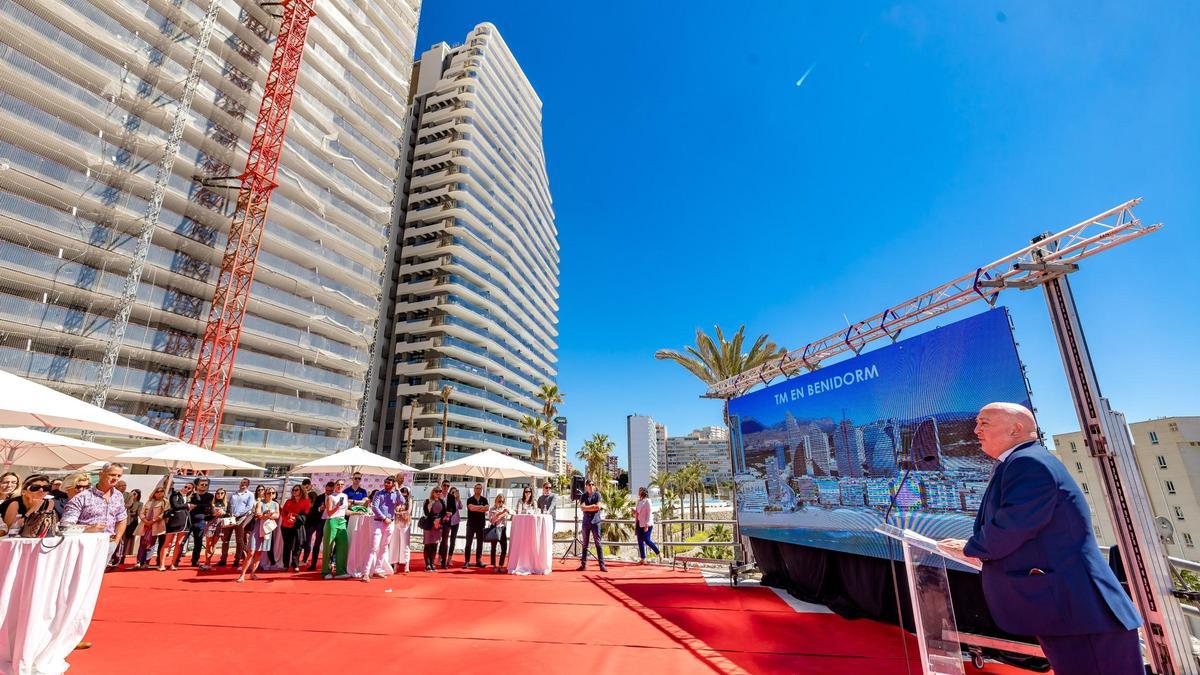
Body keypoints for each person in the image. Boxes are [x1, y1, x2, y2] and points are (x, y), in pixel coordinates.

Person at [938, 403, 1143, 675]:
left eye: (984, 423)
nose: (975, 430)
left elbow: (1015, 523)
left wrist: (971, 549)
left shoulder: (1028, 463)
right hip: (1069, 614)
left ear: (1016, 428)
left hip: (1080, 615)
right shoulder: (1018, 462)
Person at [61, 463, 128, 561]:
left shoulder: (118, 496)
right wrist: (88, 529)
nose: (116, 478)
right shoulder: (82, 497)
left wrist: (116, 541)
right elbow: (65, 526)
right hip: (85, 545)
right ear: (101, 474)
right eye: (112, 475)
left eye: (119, 476)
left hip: (108, 545)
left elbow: (122, 518)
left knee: (99, 576)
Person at [237, 487, 279, 582]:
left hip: (267, 530)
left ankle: (253, 574)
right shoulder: (260, 503)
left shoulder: (275, 504)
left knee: (259, 553)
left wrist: (267, 516)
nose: (271, 494)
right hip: (257, 529)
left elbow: (277, 515)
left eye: (273, 493)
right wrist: (268, 515)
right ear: (265, 494)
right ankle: (242, 575)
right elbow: (258, 514)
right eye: (269, 493)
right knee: (251, 552)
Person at [364, 476, 401, 582]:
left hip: (390, 524)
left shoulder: (395, 494)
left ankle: (377, 569)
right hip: (379, 523)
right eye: (385, 482)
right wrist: (384, 518)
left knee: (384, 547)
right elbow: (375, 507)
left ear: (393, 484)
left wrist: (397, 489)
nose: (386, 484)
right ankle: (366, 573)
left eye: (388, 482)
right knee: (373, 547)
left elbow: (401, 501)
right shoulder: (378, 494)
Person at [576, 479, 607, 572]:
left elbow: (598, 507)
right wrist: (592, 507)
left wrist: (588, 508)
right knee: (585, 544)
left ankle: (602, 565)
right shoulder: (583, 496)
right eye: (589, 484)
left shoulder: (597, 495)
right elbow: (582, 508)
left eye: (592, 484)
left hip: (596, 522)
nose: (591, 486)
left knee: (598, 543)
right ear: (586, 486)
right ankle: (583, 565)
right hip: (586, 523)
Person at [322, 479, 350, 579]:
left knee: (343, 546)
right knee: (328, 547)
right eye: (338, 484)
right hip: (332, 522)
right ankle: (326, 572)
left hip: (342, 521)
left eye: (342, 484)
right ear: (335, 486)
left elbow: (346, 511)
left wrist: (358, 512)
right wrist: (337, 506)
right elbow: (329, 513)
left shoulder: (345, 496)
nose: (340, 486)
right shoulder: (330, 497)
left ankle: (340, 571)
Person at [160, 480, 191, 571]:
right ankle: (162, 564)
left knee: (178, 544)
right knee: (167, 543)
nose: (186, 489)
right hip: (174, 521)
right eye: (185, 486)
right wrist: (187, 505)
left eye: (189, 488)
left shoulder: (191, 497)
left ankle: (173, 564)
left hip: (185, 522)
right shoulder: (175, 495)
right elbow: (175, 505)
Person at [136, 483, 168, 569]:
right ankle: (139, 561)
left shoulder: (165, 502)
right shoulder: (149, 502)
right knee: (142, 543)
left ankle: (146, 562)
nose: (159, 493)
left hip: (156, 525)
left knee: (151, 543)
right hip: (145, 524)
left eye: (162, 491)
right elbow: (141, 512)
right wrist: (145, 520)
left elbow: (164, 513)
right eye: (157, 491)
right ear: (154, 493)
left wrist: (153, 521)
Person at [225, 478, 255, 567]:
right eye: (242, 482)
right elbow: (228, 504)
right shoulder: (234, 494)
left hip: (240, 519)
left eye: (245, 483)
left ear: (248, 484)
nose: (243, 484)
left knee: (239, 540)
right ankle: (223, 559)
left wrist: (237, 514)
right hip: (230, 518)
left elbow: (249, 507)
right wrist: (230, 514)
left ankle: (237, 559)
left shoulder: (250, 495)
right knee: (225, 539)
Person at [280, 484, 310, 572]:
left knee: (298, 546)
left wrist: (295, 517)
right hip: (286, 526)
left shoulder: (305, 501)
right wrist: (287, 519)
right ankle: (285, 565)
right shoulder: (288, 501)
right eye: (293, 490)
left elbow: (306, 514)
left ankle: (295, 564)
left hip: (297, 526)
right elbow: (283, 513)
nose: (294, 491)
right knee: (287, 546)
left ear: (301, 491)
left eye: (296, 490)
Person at [187, 478, 214, 569]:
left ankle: (195, 561)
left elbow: (206, 506)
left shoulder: (209, 496)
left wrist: (195, 506)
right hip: (188, 520)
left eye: (206, 485)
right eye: (202, 484)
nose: (204, 486)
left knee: (198, 542)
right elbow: (187, 504)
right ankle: (175, 561)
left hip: (200, 521)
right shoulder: (191, 494)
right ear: (197, 485)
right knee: (182, 542)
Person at [111, 488, 142, 568]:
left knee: (127, 543)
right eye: (132, 493)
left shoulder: (139, 504)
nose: (133, 495)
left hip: (131, 524)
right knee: (119, 540)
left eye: (135, 494)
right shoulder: (125, 501)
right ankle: (114, 558)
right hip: (122, 523)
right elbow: (124, 507)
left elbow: (139, 514)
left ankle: (122, 559)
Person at [462, 483, 488, 568]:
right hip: (471, 524)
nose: (478, 490)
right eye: (477, 488)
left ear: (482, 490)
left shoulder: (484, 499)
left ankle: (478, 561)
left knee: (480, 543)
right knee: (468, 543)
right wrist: (481, 507)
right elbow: (470, 508)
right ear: (474, 489)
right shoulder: (470, 499)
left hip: (481, 524)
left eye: (480, 488)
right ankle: (466, 561)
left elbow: (486, 508)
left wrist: (476, 508)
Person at [421, 486, 446, 572]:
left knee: (435, 545)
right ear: (433, 492)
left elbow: (443, 513)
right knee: (427, 545)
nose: (438, 493)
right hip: (429, 525)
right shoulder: (428, 501)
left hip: (438, 526)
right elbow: (426, 513)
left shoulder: (442, 501)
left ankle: (432, 563)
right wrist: (434, 520)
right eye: (436, 491)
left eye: (440, 491)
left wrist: (439, 521)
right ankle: (427, 564)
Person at [305, 481, 329, 572]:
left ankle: (328, 565)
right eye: (327, 490)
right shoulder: (319, 498)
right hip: (320, 523)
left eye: (331, 490)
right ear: (325, 489)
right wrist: (320, 509)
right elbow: (313, 510)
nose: (329, 492)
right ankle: (313, 564)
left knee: (330, 544)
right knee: (317, 543)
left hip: (331, 522)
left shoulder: (337, 497)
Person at [203, 487, 230, 568]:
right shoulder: (211, 503)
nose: (219, 495)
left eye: (222, 493)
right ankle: (207, 563)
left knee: (214, 544)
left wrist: (224, 513)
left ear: (224, 494)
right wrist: (213, 514)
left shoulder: (227, 504)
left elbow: (230, 514)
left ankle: (209, 562)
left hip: (220, 525)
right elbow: (205, 517)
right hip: (211, 524)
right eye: (218, 493)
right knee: (208, 544)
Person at [389, 485, 412, 574]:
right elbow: (393, 510)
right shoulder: (396, 501)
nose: (404, 495)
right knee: (394, 544)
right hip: (396, 523)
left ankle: (406, 565)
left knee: (405, 544)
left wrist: (400, 513)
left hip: (405, 524)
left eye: (405, 494)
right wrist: (398, 513)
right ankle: (394, 565)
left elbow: (408, 511)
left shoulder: (409, 500)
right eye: (402, 494)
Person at [634, 487, 660, 564]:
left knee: (647, 540)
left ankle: (658, 553)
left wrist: (646, 525)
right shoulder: (639, 501)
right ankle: (643, 559)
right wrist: (636, 524)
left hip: (646, 523)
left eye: (640, 491)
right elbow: (638, 513)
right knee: (640, 541)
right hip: (639, 523)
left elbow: (649, 514)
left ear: (643, 492)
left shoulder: (648, 501)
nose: (638, 492)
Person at [487, 492, 511, 572]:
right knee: (493, 548)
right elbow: (492, 520)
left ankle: (500, 565)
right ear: (496, 500)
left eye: (502, 501)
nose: (501, 503)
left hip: (503, 529)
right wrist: (500, 514)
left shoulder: (505, 508)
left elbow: (511, 514)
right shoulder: (492, 509)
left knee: (504, 548)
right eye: (499, 501)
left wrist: (506, 513)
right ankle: (494, 566)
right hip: (494, 528)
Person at [439, 484, 461, 569]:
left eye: (447, 486)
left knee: (451, 540)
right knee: (443, 541)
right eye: (452, 491)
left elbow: (459, 507)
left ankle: (448, 559)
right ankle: (440, 557)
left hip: (454, 521)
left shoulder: (454, 498)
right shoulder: (441, 495)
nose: (446, 487)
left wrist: (457, 498)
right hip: (445, 521)